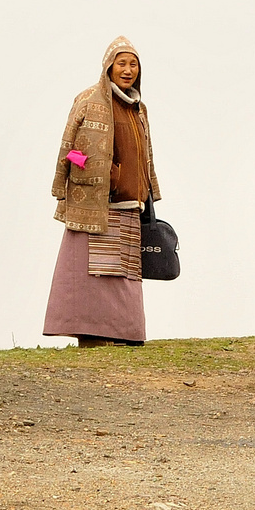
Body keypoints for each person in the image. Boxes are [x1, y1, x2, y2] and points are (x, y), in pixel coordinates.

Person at [44, 37, 162, 347]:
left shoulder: (139, 108)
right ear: (108, 67)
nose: (127, 70)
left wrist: (149, 189)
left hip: (131, 203)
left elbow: (146, 154)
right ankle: (93, 337)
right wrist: (101, 170)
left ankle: (124, 333)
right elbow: (68, 151)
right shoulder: (88, 100)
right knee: (95, 275)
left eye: (133, 64)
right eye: (121, 63)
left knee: (124, 274)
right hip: (98, 203)